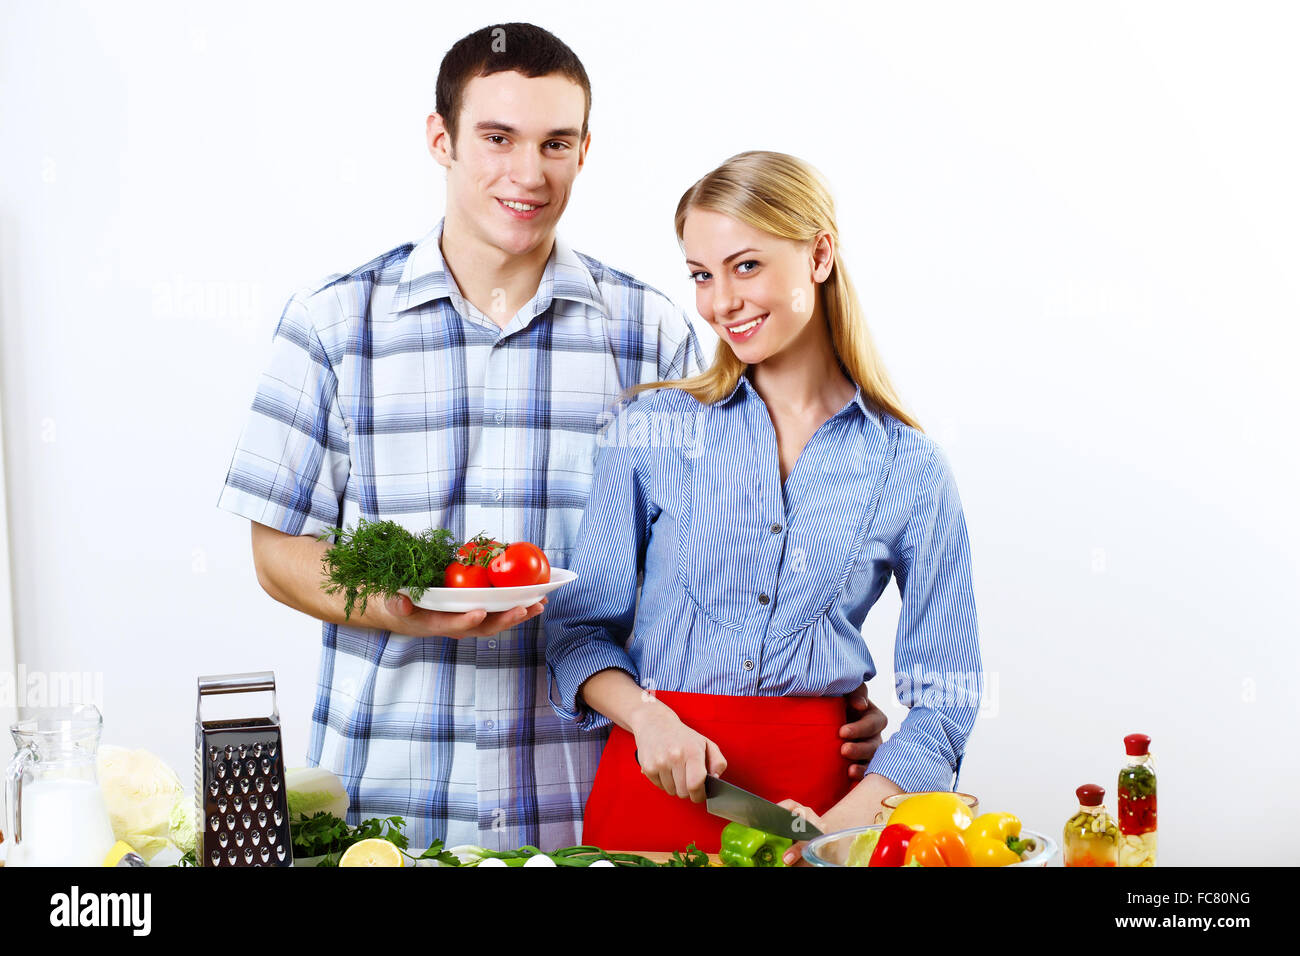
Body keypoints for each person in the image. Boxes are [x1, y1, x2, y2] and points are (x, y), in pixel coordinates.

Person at [218, 26, 887, 852]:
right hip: (386, 801)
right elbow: (277, 554)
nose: (527, 173)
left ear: (584, 149)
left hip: (590, 806)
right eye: (497, 139)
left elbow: (728, 560)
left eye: (555, 143)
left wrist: (818, 685)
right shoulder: (332, 323)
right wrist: (410, 611)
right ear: (442, 140)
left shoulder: (654, 336)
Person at [545, 150, 982, 856]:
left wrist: (837, 830)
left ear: (819, 254)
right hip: (652, 790)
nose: (721, 302)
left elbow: (947, 697)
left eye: (746, 266)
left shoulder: (910, 466)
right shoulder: (650, 432)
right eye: (701, 275)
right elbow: (576, 632)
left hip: (822, 807)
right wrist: (647, 718)